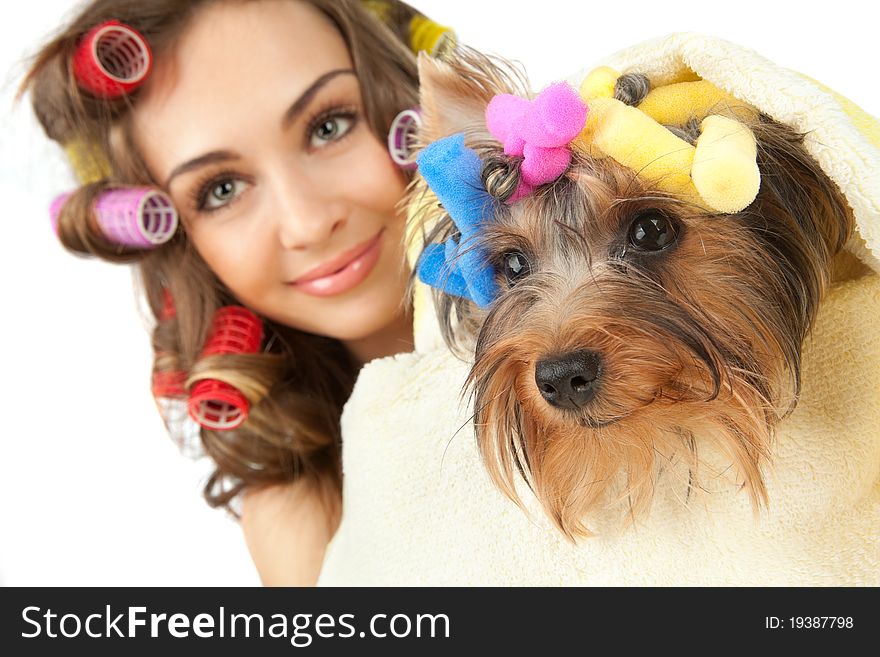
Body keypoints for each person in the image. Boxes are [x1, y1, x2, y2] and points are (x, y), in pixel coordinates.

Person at [20, 0, 450, 585]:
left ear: (405, 92)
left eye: (329, 125)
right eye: (221, 189)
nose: (306, 222)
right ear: (184, 247)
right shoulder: (307, 522)